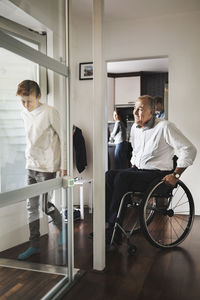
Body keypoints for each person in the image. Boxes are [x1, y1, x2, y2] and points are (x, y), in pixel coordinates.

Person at [106, 95, 196, 244]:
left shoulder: (165, 126)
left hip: (157, 174)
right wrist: (133, 164)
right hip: (139, 171)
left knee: (122, 178)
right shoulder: (135, 128)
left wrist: (176, 175)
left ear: (152, 111)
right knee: (109, 174)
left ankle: (113, 232)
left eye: (140, 109)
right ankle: (110, 223)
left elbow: (189, 149)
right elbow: (135, 150)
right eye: (134, 108)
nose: (135, 112)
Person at [16, 80, 67, 260]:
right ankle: (34, 245)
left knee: (45, 205)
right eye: (23, 101)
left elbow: (64, 137)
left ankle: (62, 227)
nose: (26, 105)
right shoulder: (24, 112)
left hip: (47, 166)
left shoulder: (49, 112)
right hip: (30, 165)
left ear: (38, 96)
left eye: (29, 101)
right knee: (31, 207)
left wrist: (63, 166)